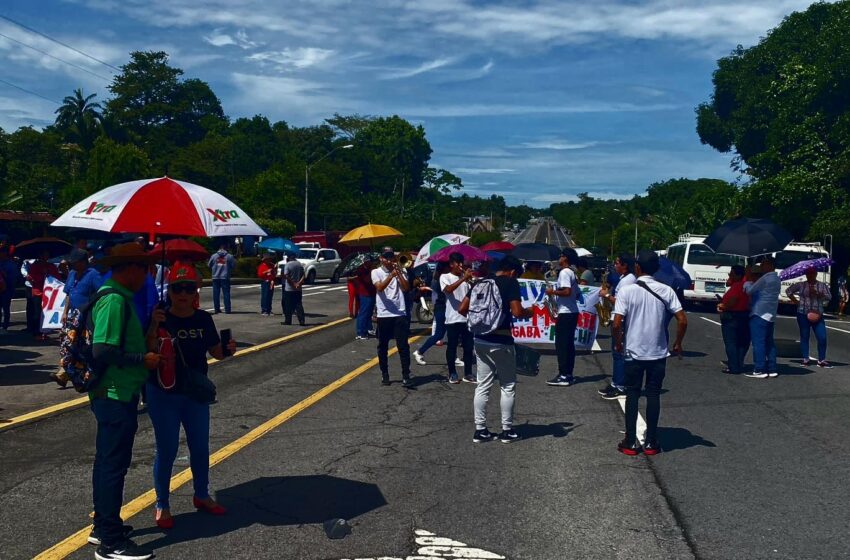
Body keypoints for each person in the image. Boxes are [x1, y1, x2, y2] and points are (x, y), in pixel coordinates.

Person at [145, 263, 236, 531]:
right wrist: (153, 325)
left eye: (188, 288)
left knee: (200, 447)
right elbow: (147, 353)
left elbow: (216, 352)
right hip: (163, 392)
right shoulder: (160, 317)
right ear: (169, 290)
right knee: (168, 449)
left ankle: (201, 495)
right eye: (177, 288)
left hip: (194, 393)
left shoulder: (203, 319)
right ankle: (162, 503)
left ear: (196, 290)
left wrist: (229, 349)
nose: (182, 293)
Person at [88, 243, 162, 560]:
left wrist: (152, 327)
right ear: (129, 268)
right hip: (115, 394)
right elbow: (102, 350)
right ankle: (111, 543)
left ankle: (104, 526)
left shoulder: (121, 298)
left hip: (117, 392)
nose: (147, 276)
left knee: (106, 463)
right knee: (112, 467)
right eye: (144, 269)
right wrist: (141, 359)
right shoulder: (114, 300)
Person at [612, 250, 687, 456]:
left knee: (632, 393)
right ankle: (652, 441)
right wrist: (678, 342)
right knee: (653, 394)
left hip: (634, 351)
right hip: (658, 352)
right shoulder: (667, 290)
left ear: (637, 267)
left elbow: (617, 323)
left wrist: (619, 343)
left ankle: (630, 441)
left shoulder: (627, 291)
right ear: (656, 269)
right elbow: (682, 319)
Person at [459, 255, 533, 443]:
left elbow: (462, 308)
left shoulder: (480, 282)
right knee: (508, 385)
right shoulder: (510, 283)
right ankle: (507, 430)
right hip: (501, 340)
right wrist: (530, 311)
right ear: (513, 271)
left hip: (480, 339)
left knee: (483, 385)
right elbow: (517, 311)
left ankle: (480, 430)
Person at [55, 249, 103, 387]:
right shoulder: (72, 274)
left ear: (83, 262)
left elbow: (100, 294)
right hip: (72, 317)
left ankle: (70, 374)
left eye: (75, 263)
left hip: (86, 317)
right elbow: (69, 294)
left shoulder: (93, 275)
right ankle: (65, 373)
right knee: (68, 345)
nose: (72, 266)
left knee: (81, 348)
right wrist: (65, 312)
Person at [371, 248, 412, 387]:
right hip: (384, 314)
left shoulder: (401, 271)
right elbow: (380, 288)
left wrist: (399, 273)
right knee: (383, 346)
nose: (390, 261)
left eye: (391, 258)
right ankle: (385, 374)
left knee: (403, 346)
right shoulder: (376, 272)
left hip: (399, 313)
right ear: (381, 259)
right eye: (386, 258)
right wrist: (390, 276)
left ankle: (406, 375)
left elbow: (406, 288)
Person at [598, 254, 636, 399]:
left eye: (617, 263)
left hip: (620, 320)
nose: (615, 265)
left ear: (625, 265)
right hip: (617, 318)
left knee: (619, 352)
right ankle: (616, 382)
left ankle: (620, 386)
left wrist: (606, 296)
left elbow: (621, 303)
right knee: (616, 353)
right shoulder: (624, 279)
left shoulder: (627, 281)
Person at [545, 248, 581, 387]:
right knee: (568, 345)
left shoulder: (565, 272)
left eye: (560, 256)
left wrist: (552, 291)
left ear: (565, 258)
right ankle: (568, 373)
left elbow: (567, 291)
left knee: (561, 345)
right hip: (571, 311)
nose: (559, 258)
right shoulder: (572, 272)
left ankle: (563, 375)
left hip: (566, 313)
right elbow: (576, 294)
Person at [441, 252, 476, 384]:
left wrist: (471, 282)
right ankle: (452, 373)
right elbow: (448, 290)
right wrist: (463, 278)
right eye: (458, 263)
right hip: (452, 318)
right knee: (452, 346)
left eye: (462, 262)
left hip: (466, 318)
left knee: (468, 347)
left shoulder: (466, 279)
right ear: (451, 264)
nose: (460, 266)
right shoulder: (445, 277)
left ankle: (468, 373)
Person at [786, 267, 832, 368]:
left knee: (822, 337)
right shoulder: (801, 285)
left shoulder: (822, 285)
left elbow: (829, 296)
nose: (810, 275)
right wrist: (796, 302)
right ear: (806, 275)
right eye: (808, 274)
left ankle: (821, 359)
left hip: (817, 313)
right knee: (804, 336)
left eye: (812, 273)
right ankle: (805, 358)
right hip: (803, 313)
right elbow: (788, 291)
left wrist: (819, 294)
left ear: (815, 274)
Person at [744, 256, 781, 379]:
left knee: (758, 342)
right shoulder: (777, 278)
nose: (761, 266)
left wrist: (747, 281)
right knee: (769, 343)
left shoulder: (765, 278)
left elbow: (750, 290)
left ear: (770, 265)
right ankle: (772, 368)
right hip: (771, 313)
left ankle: (759, 369)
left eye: (764, 264)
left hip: (759, 313)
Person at [413, 262, 449, 364]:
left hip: (442, 308)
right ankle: (420, 351)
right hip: (441, 308)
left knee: (444, 334)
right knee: (439, 334)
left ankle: (420, 351)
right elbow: (446, 291)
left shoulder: (438, 278)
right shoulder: (440, 280)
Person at [717, 265, 750, 374]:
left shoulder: (738, 286)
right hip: (744, 316)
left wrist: (723, 306)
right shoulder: (745, 285)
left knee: (731, 343)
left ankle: (734, 366)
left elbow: (733, 301)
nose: (729, 275)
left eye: (731, 274)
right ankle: (739, 363)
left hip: (732, 316)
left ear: (738, 275)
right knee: (741, 342)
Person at [25, 249, 60, 338]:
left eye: (47, 254)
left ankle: (44, 331)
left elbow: (57, 277)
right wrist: (43, 275)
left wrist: (49, 274)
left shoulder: (51, 266)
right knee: (37, 313)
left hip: (49, 293)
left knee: (47, 313)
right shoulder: (34, 266)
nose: (46, 256)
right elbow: (31, 278)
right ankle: (36, 331)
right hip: (38, 292)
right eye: (44, 254)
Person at [353, 257, 377, 340]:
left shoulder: (368, 269)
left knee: (369, 313)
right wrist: (372, 270)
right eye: (369, 262)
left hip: (371, 293)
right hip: (365, 294)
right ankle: (361, 332)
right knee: (363, 313)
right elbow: (367, 280)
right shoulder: (361, 270)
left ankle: (367, 329)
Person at [208, 245, 235, 314]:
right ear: (226, 248)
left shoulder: (213, 256)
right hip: (225, 277)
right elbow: (233, 266)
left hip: (215, 277)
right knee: (226, 293)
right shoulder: (229, 256)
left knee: (216, 294)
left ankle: (217, 309)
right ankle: (227, 309)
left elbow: (209, 265)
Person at [282, 255, 306, 326]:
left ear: (288, 258)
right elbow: (303, 275)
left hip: (289, 289)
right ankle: (302, 321)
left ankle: (288, 321)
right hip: (298, 288)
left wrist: (293, 284)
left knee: (288, 305)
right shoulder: (299, 264)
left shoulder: (287, 265)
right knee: (298, 305)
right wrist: (298, 283)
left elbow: (286, 276)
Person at [0, 245, 18, 335]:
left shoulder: (11, 264)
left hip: (7, 289)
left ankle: (5, 326)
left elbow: (13, 278)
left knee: (6, 308)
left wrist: (4, 274)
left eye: (3, 252)